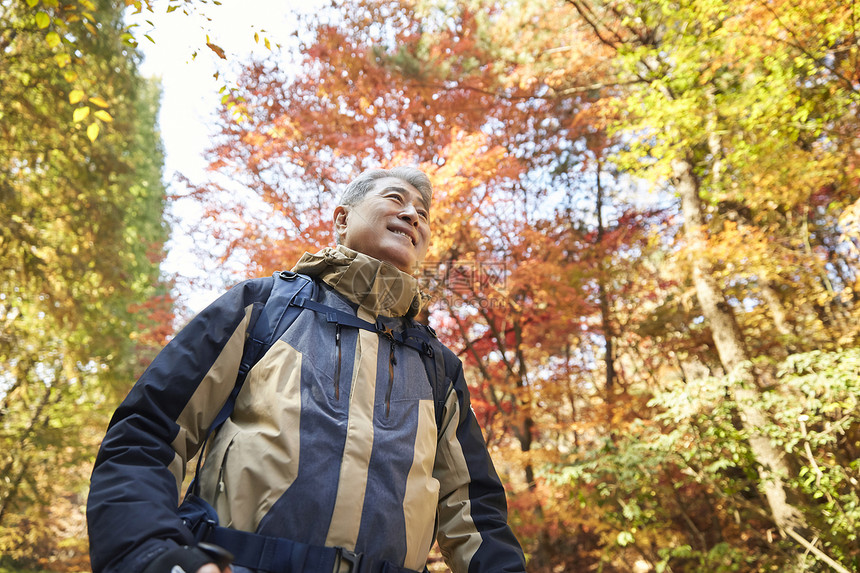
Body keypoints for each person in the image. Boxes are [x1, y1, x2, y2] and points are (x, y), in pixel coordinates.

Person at [87, 166, 527, 573]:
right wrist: (156, 556)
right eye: (396, 199)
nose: (413, 215)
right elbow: (146, 435)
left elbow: (475, 515)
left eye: (423, 214)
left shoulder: (439, 368)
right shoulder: (261, 309)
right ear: (341, 219)